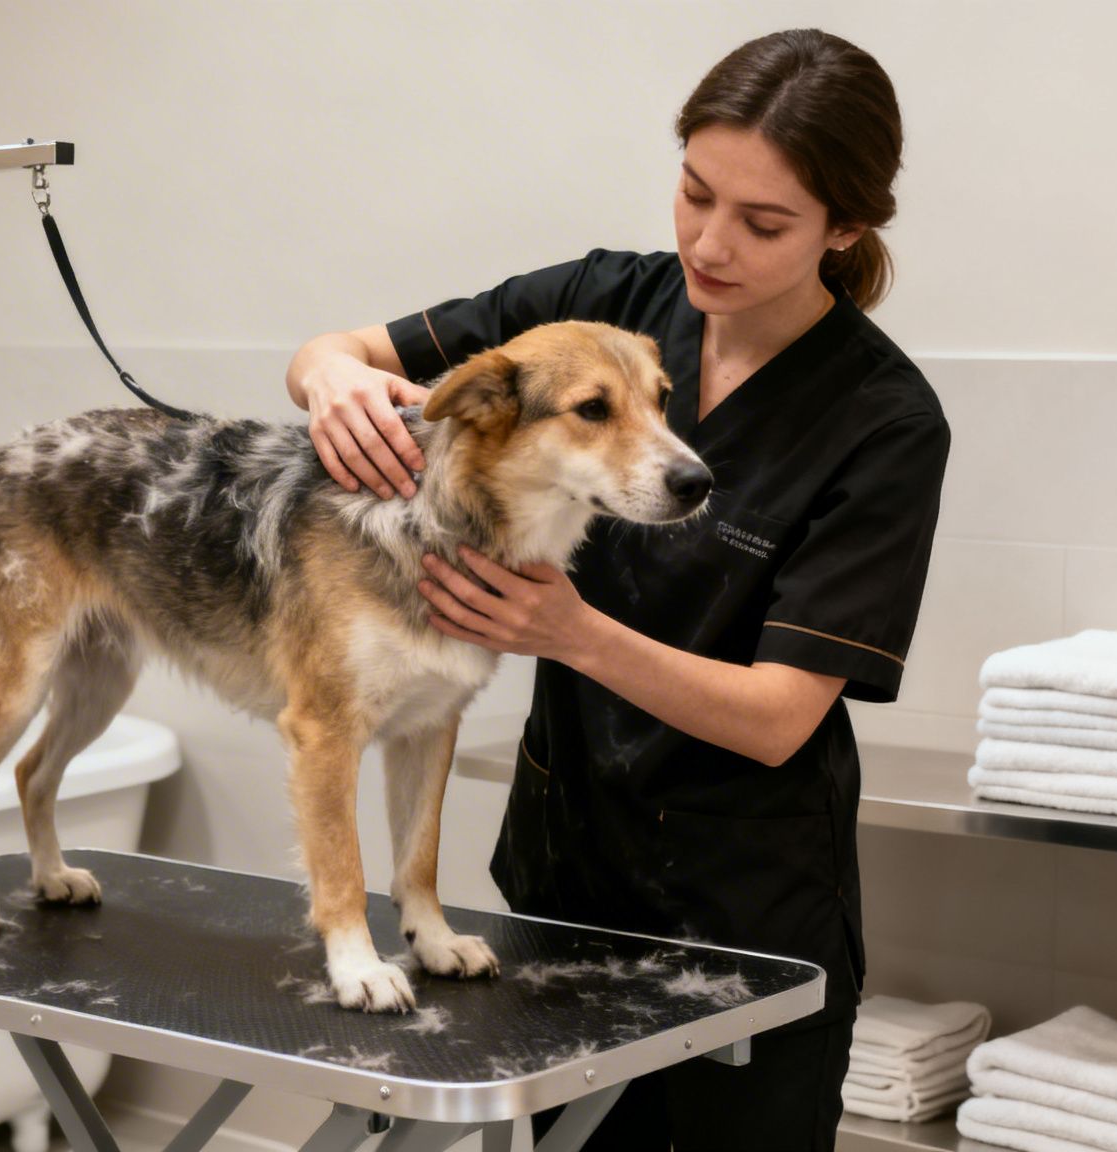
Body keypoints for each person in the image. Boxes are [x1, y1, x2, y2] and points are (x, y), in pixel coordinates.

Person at [284, 28, 950, 1151]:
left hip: (742, 923)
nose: (708, 240)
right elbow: (341, 348)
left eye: (762, 222)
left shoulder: (878, 424)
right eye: (693, 193)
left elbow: (781, 719)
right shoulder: (601, 308)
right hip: (557, 885)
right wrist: (333, 379)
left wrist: (572, 633)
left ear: (843, 229)